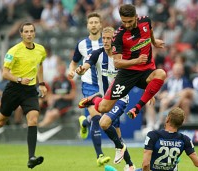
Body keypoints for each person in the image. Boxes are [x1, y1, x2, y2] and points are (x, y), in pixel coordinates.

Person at [0, 22, 47, 169]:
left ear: (34, 33)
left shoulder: (40, 50)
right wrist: (20, 79)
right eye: (26, 31)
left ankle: (31, 157)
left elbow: (40, 65)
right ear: (21, 34)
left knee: (33, 119)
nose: (29, 34)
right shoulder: (14, 51)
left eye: (31, 31)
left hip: (29, 91)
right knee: (1, 121)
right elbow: (5, 73)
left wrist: (41, 84)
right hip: (13, 89)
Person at [78, 4, 166, 121]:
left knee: (161, 73)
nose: (127, 25)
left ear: (136, 16)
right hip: (127, 74)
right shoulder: (118, 36)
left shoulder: (146, 21)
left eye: (130, 21)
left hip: (145, 71)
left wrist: (154, 42)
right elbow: (117, 63)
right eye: (124, 21)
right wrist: (136, 61)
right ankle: (94, 99)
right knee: (104, 108)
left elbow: (149, 31)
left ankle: (137, 108)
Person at [75, 27, 135, 170]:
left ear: (114, 39)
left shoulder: (122, 55)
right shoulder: (97, 53)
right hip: (106, 101)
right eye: (104, 38)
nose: (106, 41)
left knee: (104, 123)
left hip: (121, 97)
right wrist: (81, 69)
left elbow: (137, 72)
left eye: (109, 38)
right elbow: (87, 64)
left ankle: (91, 112)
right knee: (115, 133)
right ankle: (130, 165)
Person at [67, 12, 111, 166]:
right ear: (87, 25)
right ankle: (100, 155)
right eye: (90, 22)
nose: (93, 24)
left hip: (106, 85)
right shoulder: (81, 44)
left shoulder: (108, 42)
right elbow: (74, 62)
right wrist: (71, 71)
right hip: (89, 85)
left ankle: (85, 122)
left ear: (101, 24)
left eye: (96, 22)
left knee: (101, 117)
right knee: (98, 118)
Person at [142, 107, 198, 171]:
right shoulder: (185, 139)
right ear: (181, 123)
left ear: (168, 119)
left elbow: (145, 164)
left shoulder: (153, 135)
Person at [39, 61, 76, 127]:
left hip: (66, 105)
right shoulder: (55, 81)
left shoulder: (70, 81)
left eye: (63, 69)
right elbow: (50, 94)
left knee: (51, 114)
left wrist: (61, 96)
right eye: (60, 69)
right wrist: (50, 99)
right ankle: (41, 127)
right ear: (57, 70)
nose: (61, 71)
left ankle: (40, 127)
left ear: (65, 70)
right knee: (48, 113)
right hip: (56, 105)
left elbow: (72, 96)